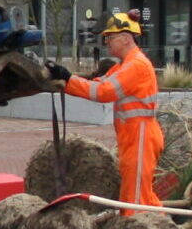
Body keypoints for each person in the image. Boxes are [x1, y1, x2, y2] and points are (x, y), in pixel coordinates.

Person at [41, 13, 164, 212]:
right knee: (139, 195)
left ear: (126, 38)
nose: (106, 41)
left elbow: (103, 92)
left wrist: (68, 79)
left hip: (140, 136)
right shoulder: (125, 65)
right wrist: (66, 80)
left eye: (110, 37)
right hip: (134, 137)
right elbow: (98, 84)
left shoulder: (136, 66)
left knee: (135, 200)